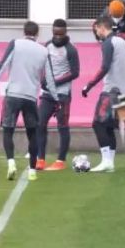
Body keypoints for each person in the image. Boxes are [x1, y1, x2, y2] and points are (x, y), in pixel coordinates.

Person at [0, 21, 59, 182]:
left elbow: (3, 64)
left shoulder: (15, 44)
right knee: (32, 133)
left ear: (24, 31)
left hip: (13, 94)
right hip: (30, 97)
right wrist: (56, 99)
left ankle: (11, 162)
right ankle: (32, 170)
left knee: (8, 130)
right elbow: (49, 77)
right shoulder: (43, 50)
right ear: (37, 33)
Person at [81, 15, 125, 173]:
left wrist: (89, 85)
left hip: (110, 90)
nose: (97, 33)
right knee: (109, 126)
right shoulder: (122, 42)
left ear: (102, 28)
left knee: (98, 124)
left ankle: (106, 160)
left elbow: (104, 67)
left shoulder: (108, 43)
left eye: (97, 30)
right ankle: (110, 162)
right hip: (121, 90)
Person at [36, 19, 80, 172]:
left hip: (62, 94)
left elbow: (75, 73)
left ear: (66, 32)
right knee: (40, 123)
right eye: (55, 33)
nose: (58, 37)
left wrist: (55, 81)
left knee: (62, 125)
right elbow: (42, 64)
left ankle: (60, 160)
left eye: (61, 34)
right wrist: (43, 79)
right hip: (47, 94)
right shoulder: (47, 45)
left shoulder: (71, 49)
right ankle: (40, 159)